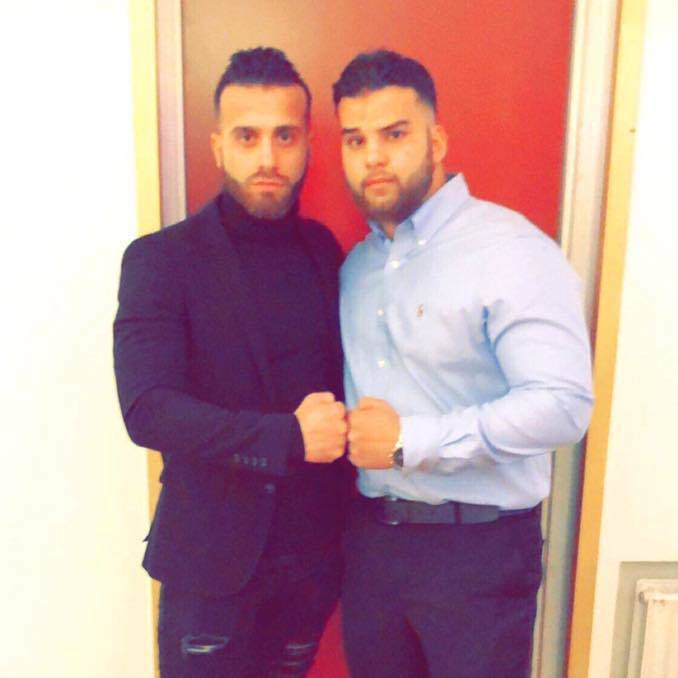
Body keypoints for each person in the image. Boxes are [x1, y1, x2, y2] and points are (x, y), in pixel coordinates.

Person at [333, 50, 594, 678]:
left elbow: (563, 405)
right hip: (372, 548)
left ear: (437, 140)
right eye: (355, 139)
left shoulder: (510, 250)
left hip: (477, 552)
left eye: (395, 134)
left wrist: (409, 441)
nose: (373, 156)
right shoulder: (357, 267)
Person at [114, 47, 351, 677]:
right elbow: (148, 410)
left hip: (311, 563)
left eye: (285, 136)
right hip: (209, 567)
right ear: (219, 146)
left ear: (307, 144)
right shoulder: (161, 260)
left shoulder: (324, 250)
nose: (267, 157)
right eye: (248, 136)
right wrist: (287, 437)